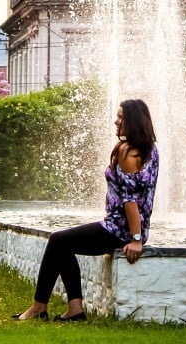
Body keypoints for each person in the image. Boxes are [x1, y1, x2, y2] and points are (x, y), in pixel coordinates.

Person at [13, 99, 159, 322]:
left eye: (121, 117)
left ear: (133, 121)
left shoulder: (129, 153)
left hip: (119, 229)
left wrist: (136, 240)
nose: (116, 121)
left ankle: (38, 308)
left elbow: (131, 201)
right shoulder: (149, 150)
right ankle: (73, 310)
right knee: (63, 244)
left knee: (58, 241)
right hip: (128, 228)